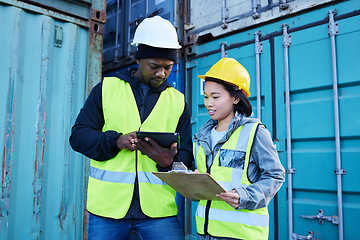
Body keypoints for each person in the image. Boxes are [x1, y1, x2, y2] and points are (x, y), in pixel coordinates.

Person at [69, 15, 193, 240]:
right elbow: (78, 137)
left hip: (158, 212)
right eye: (154, 66)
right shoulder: (106, 89)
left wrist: (168, 163)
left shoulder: (178, 101)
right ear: (138, 60)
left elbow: (187, 155)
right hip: (108, 211)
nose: (161, 74)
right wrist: (115, 142)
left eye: (168, 67)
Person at [193, 58, 285, 240]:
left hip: (241, 235)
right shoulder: (202, 136)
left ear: (235, 98)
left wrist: (245, 196)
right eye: (206, 96)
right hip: (205, 233)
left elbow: (275, 176)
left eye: (215, 97)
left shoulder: (254, 132)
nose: (208, 103)